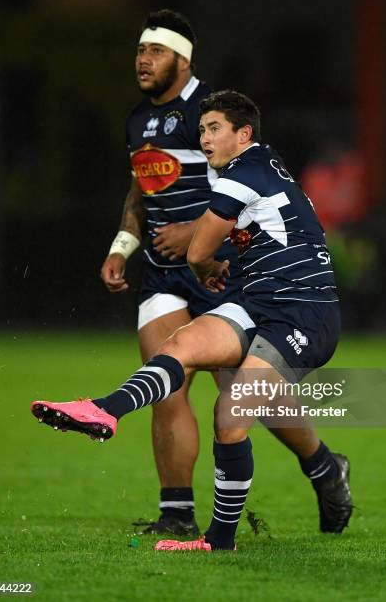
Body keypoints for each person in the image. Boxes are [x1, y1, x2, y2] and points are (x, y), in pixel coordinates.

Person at [32, 90, 353, 551]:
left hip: (303, 313)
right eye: (201, 129)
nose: (204, 138)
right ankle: (105, 408)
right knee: (181, 347)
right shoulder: (259, 163)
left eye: (214, 128)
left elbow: (199, 249)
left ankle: (219, 541)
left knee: (230, 414)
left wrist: (204, 266)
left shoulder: (244, 172)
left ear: (244, 134)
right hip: (258, 301)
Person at [100, 9, 351, 537]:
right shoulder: (137, 121)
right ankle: (177, 513)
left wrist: (193, 232)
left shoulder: (211, 113)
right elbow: (139, 191)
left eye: (156, 51)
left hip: (220, 268)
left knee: (243, 397)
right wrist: (125, 242)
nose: (144, 61)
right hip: (163, 274)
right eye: (140, 51)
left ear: (182, 59)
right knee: (168, 379)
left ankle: (322, 465)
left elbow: (245, 189)